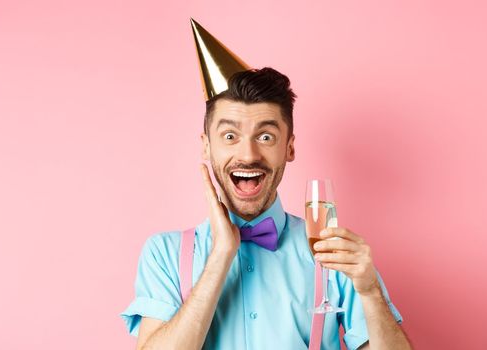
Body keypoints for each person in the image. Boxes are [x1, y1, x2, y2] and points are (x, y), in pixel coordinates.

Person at [119, 20, 412, 350]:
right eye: (230, 136)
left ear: (289, 147)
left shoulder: (332, 254)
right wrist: (220, 255)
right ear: (206, 146)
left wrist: (370, 291)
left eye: (266, 136)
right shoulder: (165, 253)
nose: (248, 154)